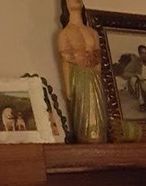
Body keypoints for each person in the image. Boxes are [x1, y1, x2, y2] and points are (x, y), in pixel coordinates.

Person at [57, 0, 107, 143]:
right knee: (83, 116)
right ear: (65, 4)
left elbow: (98, 62)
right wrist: (68, 90)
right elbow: (65, 63)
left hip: (94, 78)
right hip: (78, 78)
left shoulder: (93, 32)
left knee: (98, 115)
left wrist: (99, 81)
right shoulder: (64, 33)